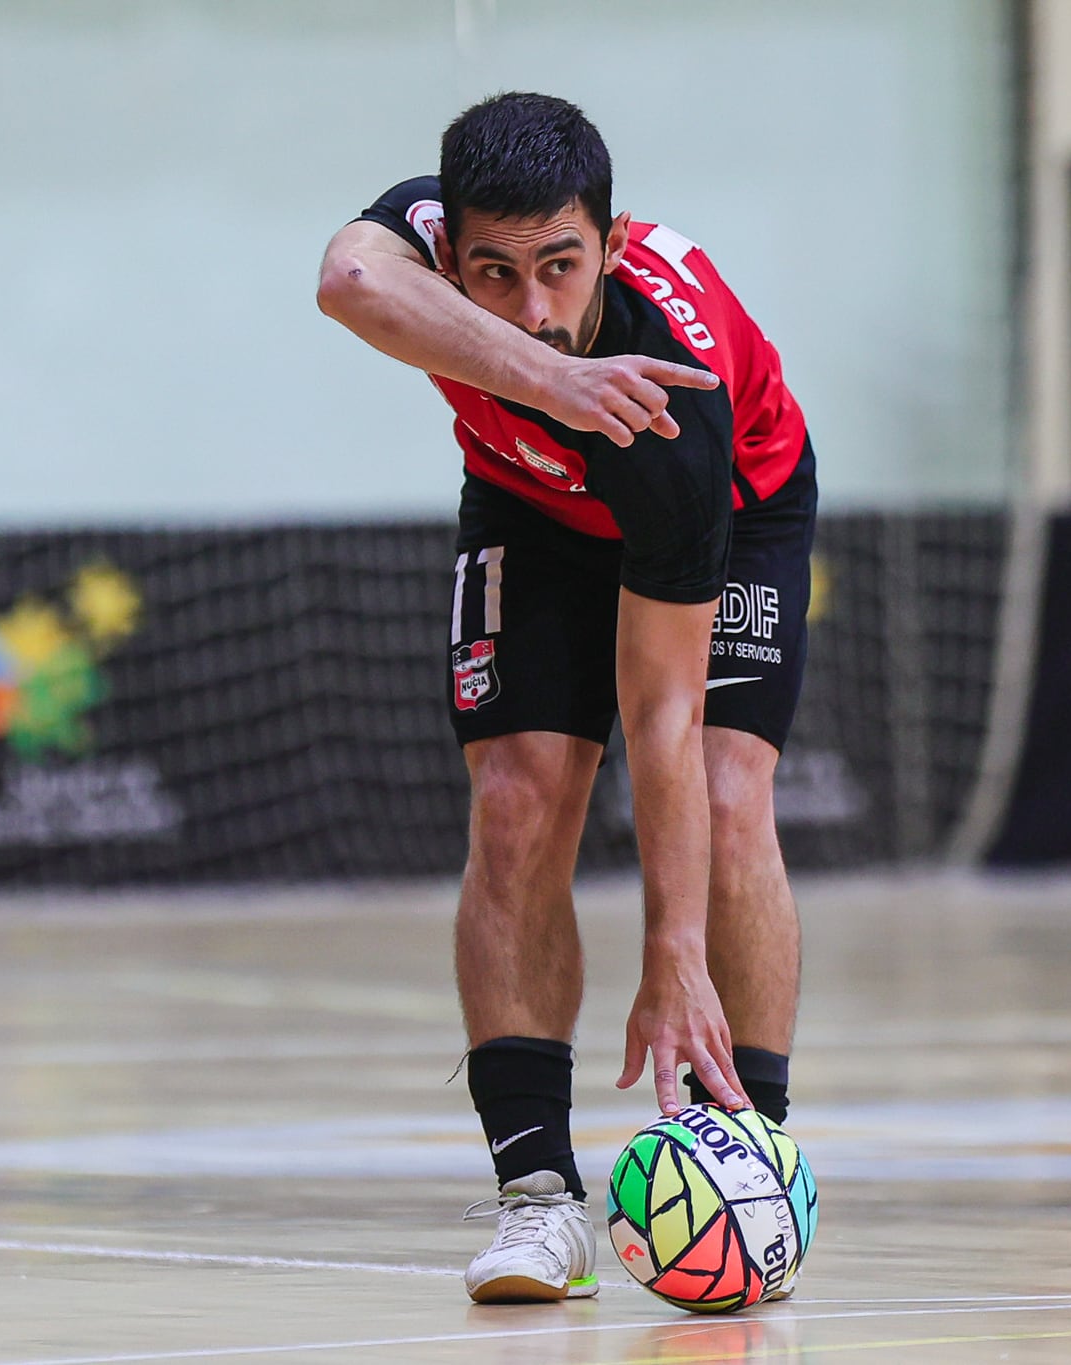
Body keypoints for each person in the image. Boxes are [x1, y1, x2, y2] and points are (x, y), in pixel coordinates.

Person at [316, 92, 816, 1304]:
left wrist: (673, 953)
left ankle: (745, 1147)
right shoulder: (433, 256)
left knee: (722, 789)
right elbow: (345, 282)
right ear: (448, 249)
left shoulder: (674, 408)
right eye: (492, 271)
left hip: (727, 506)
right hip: (530, 500)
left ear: (612, 237)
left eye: (558, 267)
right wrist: (546, 379)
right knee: (514, 802)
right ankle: (536, 1198)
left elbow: (661, 714)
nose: (530, 301)